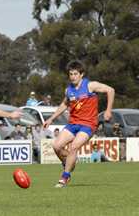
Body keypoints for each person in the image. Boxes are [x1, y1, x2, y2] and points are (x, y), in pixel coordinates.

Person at [44, 60, 114, 188]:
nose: (73, 76)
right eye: (71, 74)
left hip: (88, 124)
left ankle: (65, 177)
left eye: (75, 74)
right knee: (56, 146)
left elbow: (110, 90)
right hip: (73, 124)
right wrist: (51, 119)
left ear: (82, 74)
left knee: (74, 147)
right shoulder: (68, 90)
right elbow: (64, 104)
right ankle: (69, 162)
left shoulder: (90, 85)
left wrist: (108, 110)